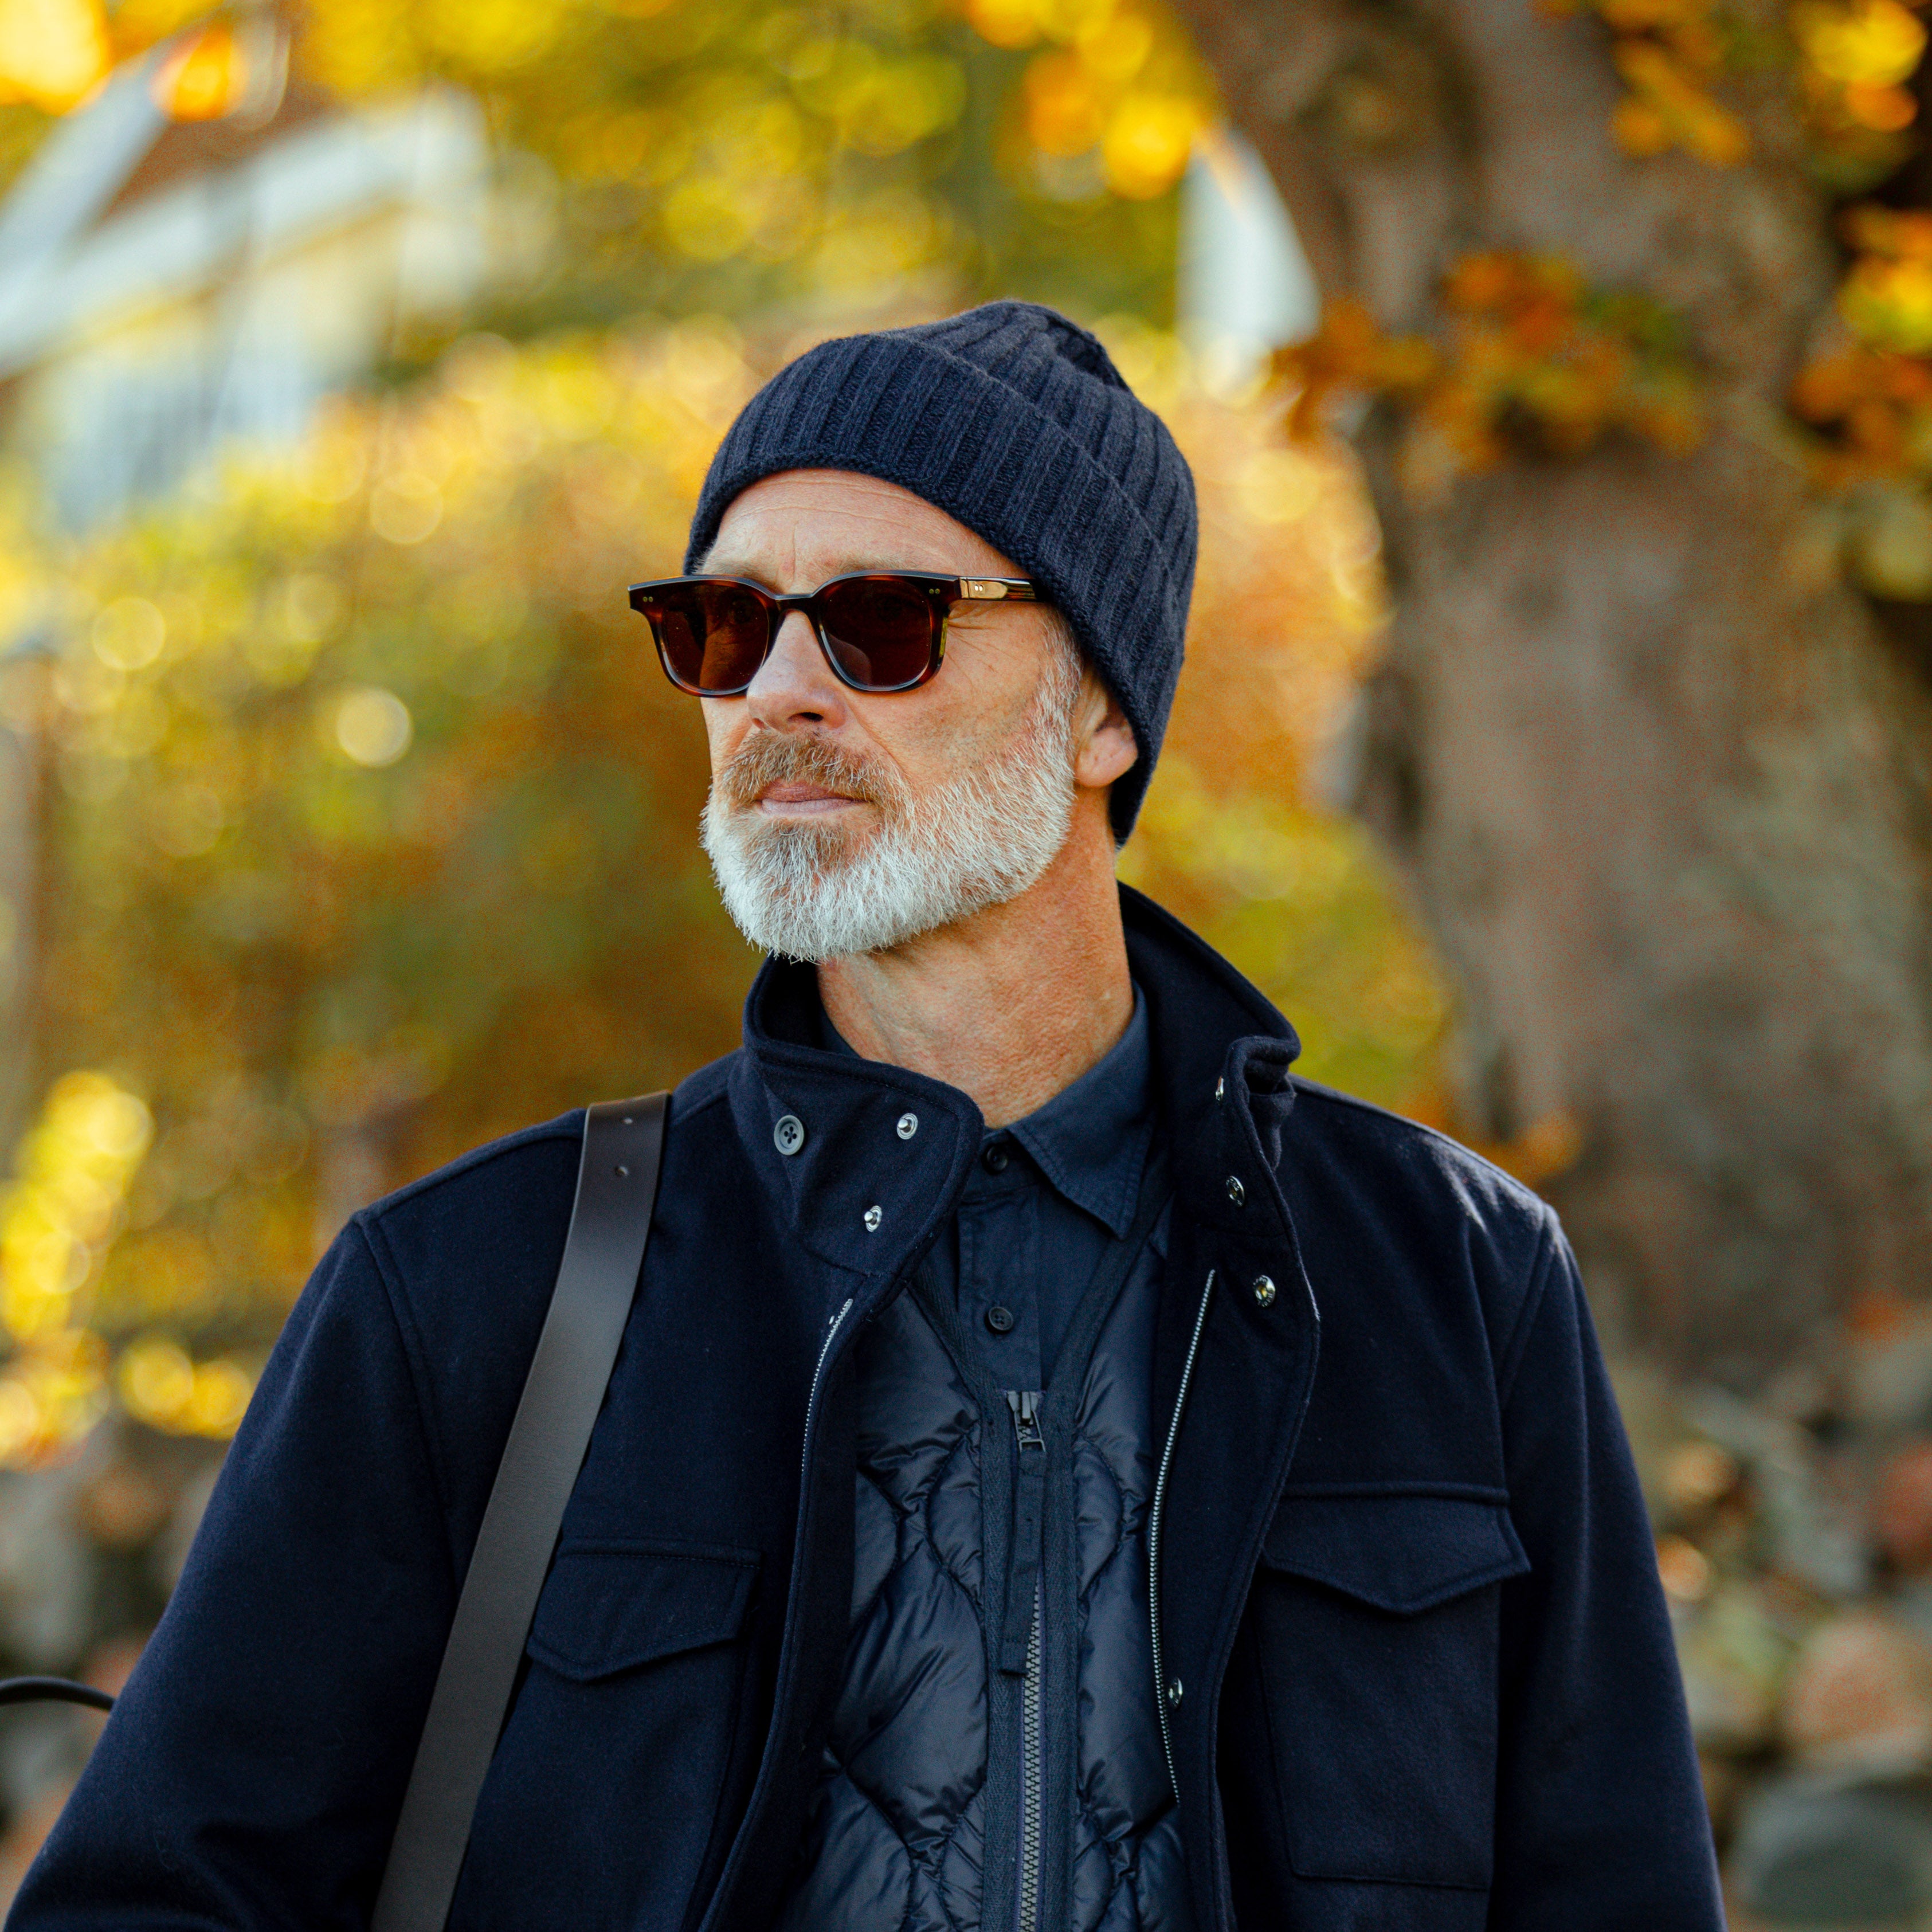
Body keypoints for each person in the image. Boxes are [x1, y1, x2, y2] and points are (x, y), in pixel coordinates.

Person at [10, 301, 1723, 1932]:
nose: (778, 694)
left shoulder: (1451, 1277)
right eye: (722, 627)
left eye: (882, 623)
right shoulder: (468, 1288)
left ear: (1105, 713)